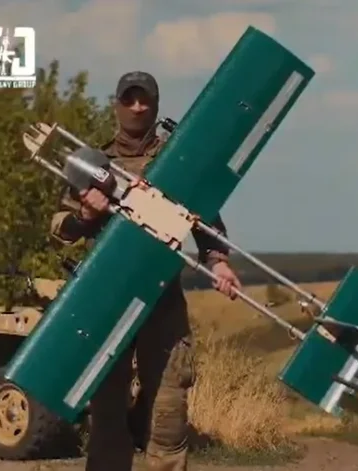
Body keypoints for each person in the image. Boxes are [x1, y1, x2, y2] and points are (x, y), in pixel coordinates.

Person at [49, 71, 242, 471]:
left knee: (168, 418)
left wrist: (219, 263)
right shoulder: (93, 164)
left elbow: (206, 223)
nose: (137, 107)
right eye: (129, 99)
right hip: (108, 300)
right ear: (117, 105)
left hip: (162, 301)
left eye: (145, 100)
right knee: (107, 420)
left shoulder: (178, 162)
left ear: (155, 105)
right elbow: (60, 230)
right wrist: (86, 215)